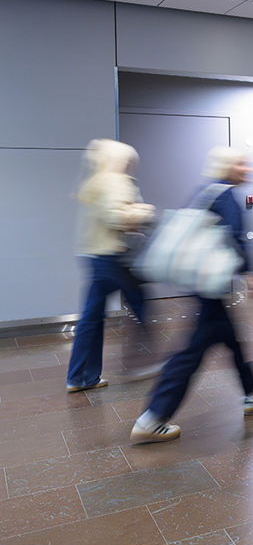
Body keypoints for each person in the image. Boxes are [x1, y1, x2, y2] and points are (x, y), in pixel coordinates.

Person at [130, 146, 253, 444]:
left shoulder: (205, 191)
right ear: (227, 167)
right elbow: (234, 238)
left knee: (232, 339)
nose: (247, 170)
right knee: (191, 352)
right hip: (211, 286)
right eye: (242, 165)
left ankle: (252, 392)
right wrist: (251, 274)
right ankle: (153, 417)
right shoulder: (226, 197)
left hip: (203, 284)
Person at [66, 139, 156, 392]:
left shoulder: (94, 181)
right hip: (115, 257)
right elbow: (116, 216)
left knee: (91, 319)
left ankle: (81, 376)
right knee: (141, 306)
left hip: (96, 257)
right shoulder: (114, 181)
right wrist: (146, 212)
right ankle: (143, 362)